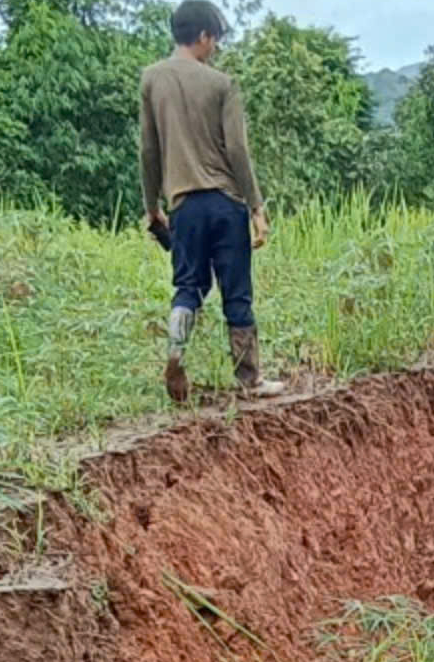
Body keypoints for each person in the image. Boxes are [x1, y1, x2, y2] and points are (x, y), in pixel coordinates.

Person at [139, 1, 280, 404]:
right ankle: (250, 380)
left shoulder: (151, 79)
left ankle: (176, 351)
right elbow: (237, 149)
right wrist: (256, 206)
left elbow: (148, 150)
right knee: (236, 291)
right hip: (225, 202)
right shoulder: (222, 84)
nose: (214, 48)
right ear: (203, 36)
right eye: (214, 39)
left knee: (187, 285)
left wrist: (152, 206)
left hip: (183, 206)